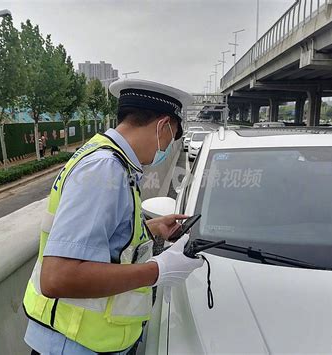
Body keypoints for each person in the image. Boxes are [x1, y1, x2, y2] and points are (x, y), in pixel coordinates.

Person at [23, 79, 204, 355]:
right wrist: (159, 270)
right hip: (73, 344)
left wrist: (151, 229)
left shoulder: (109, 159)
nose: (167, 147)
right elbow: (56, 277)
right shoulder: (104, 168)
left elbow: (98, 237)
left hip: (82, 341)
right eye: (172, 136)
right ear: (163, 125)